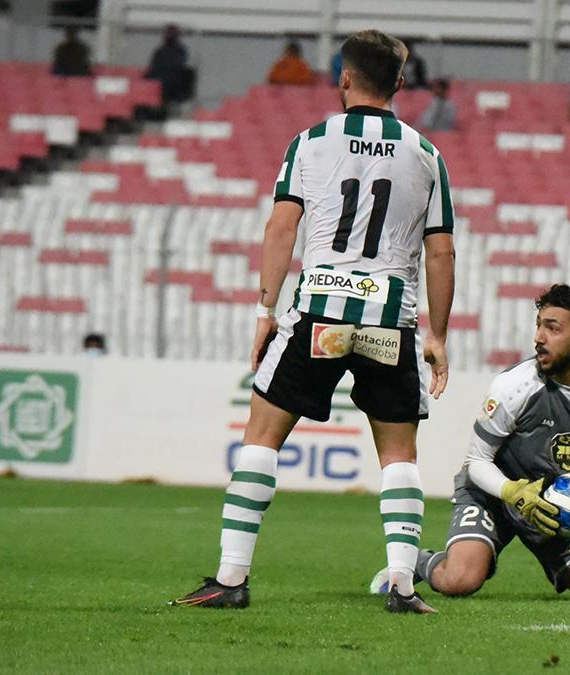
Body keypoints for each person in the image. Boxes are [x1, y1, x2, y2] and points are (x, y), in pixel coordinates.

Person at [172, 29, 457, 614]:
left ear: (343, 78)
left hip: (321, 312)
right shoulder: (427, 154)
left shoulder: (311, 142)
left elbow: (282, 227)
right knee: (399, 455)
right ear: (400, 84)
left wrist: (265, 311)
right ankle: (402, 585)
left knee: (261, 438)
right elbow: (442, 251)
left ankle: (231, 579)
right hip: (389, 321)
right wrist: (438, 335)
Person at [370, 284, 570, 602]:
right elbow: (477, 462)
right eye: (539, 325)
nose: (539, 337)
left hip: (557, 506)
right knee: (459, 581)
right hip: (493, 496)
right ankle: (417, 562)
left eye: (552, 328)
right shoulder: (513, 387)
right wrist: (513, 492)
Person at [145, 24, 195, 105]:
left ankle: (177, 98)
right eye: (168, 33)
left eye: (171, 33)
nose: (169, 35)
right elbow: (154, 65)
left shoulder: (179, 50)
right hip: (163, 79)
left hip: (170, 80)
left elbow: (179, 63)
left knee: (188, 73)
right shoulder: (160, 51)